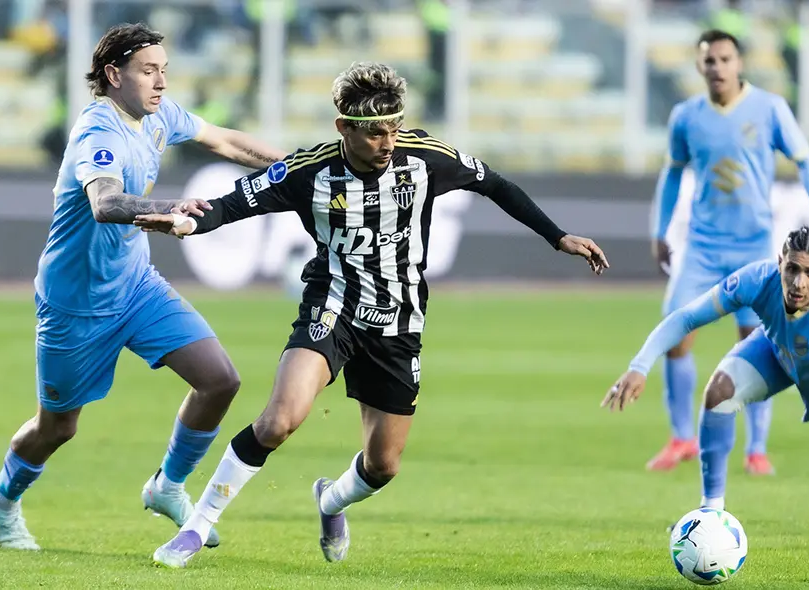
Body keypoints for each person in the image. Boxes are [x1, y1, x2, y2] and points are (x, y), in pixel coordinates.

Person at [135, 61, 609, 568]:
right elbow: (232, 204)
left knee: (383, 466)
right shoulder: (307, 171)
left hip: (400, 321)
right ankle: (196, 527)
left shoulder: (426, 159)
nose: (388, 141)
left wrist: (557, 236)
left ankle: (330, 500)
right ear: (344, 128)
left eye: (394, 128)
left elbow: (496, 184)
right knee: (278, 421)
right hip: (332, 306)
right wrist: (186, 222)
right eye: (376, 132)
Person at [0, 22, 288, 551]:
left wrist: (298, 165)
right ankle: (3, 498)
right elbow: (106, 204)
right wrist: (169, 207)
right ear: (113, 74)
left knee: (219, 380)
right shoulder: (98, 133)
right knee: (57, 428)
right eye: (149, 71)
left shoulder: (160, 115)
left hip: (136, 285)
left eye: (164, 70)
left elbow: (224, 140)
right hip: (75, 304)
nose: (161, 82)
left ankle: (168, 485)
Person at [604, 227, 809, 537]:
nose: (799, 282)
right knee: (719, 394)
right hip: (777, 350)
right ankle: (711, 511)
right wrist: (640, 366)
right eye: (792, 268)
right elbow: (687, 317)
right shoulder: (758, 278)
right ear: (780, 262)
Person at [647, 29, 809, 475]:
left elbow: (804, 158)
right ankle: (680, 438)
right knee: (675, 334)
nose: (718, 68)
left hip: (752, 247)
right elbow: (672, 175)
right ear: (699, 67)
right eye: (709, 61)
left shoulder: (769, 109)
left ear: (739, 63)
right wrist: (660, 228)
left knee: (759, 343)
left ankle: (756, 449)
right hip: (702, 248)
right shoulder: (686, 116)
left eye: (725, 59)